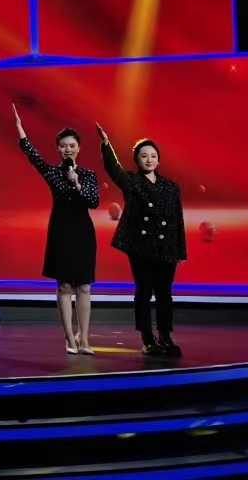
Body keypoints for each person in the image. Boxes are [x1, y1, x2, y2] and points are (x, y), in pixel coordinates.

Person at [13, 106, 100, 355]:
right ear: (58, 149)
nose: (68, 149)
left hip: (83, 233)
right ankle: (69, 338)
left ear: (78, 148)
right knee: (64, 286)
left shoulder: (88, 175)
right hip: (61, 232)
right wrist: (19, 128)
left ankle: (84, 338)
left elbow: (93, 202)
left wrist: (77, 183)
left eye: (72, 145)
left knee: (84, 286)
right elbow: (33, 156)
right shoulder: (52, 172)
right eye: (63, 146)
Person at [97, 123, 185, 357]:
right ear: (137, 159)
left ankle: (165, 336)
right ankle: (147, 338)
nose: (149, 159)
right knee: (144, 292)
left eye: (153, 156)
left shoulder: (171, 187)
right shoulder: (132, 181)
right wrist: (106, 144)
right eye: (144, 155)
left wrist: (179, 250)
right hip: (141, 247)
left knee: (165, 294)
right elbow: (114, 169)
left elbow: (178, 220)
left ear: (159, 160)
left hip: (166, 248)